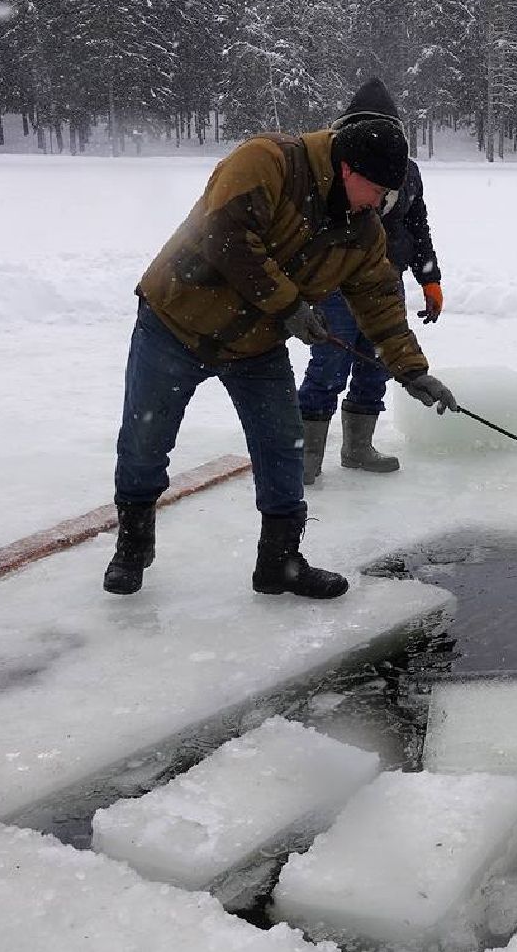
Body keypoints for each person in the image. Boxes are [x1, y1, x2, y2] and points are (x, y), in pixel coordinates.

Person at [104, 117, 457, 599]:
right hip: (175, 324)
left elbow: (379, 299)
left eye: (386, 196)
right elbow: (226, 237)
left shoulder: (363, 230)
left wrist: (413, 370)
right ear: (347, 168)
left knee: (282, 447)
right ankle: (132, 545)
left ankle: (280, 562)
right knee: (145, 441)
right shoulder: (267, 161)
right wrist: (290, 305)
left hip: (254, 344)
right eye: (375, 189)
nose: (378, 203)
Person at [298, 79, 443, 483]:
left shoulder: (405, 173)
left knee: (377, 365)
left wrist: (430, 278)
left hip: (385, 282)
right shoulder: (331, 171)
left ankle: (358, 447)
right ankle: (306, 455)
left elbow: (418, 226)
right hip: (336, 285)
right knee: (329, 365)